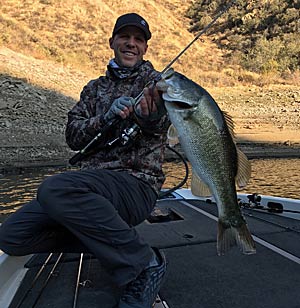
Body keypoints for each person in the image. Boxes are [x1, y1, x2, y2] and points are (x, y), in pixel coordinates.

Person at [0, 13, 170, 308]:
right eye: (125, 37)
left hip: (135, 185)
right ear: (112, 42)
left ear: (145, 48)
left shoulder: (157, 83)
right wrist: (105, 118)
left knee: (55, 189)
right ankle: (122, 245)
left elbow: (160, 123)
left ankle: (144, 263)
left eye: (138, 40)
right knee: (12, 236)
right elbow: (73, 137)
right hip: (90, 188)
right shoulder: (93, 89)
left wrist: (148, 115)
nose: (131, 44)